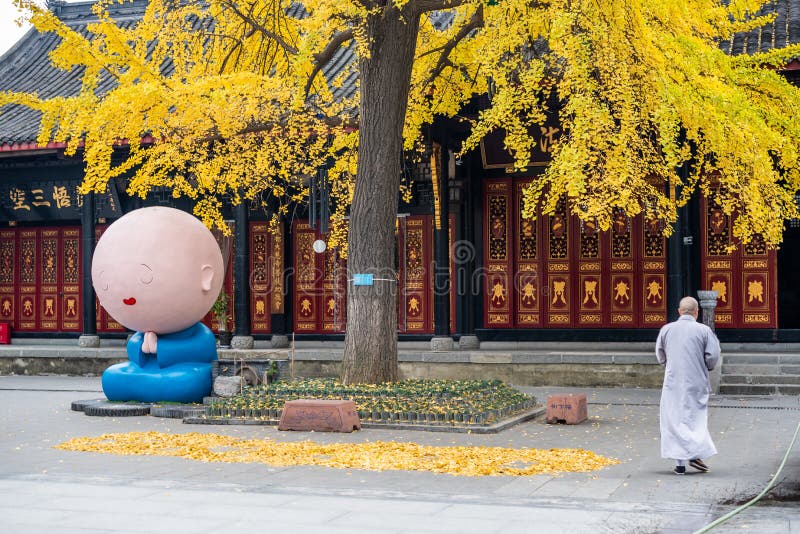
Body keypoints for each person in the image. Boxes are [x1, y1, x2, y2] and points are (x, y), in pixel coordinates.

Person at [656, 296, 721, 475]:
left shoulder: (666, 329)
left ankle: (680, 464)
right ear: (696, 312)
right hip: (696, 380)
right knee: (695, 419)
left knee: (674, 419)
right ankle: (694, 454)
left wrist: (670, 365)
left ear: (679, 311)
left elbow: (660, 354)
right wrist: (706, 366)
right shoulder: (704, 330)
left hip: (673, 381)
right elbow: (713, 356)